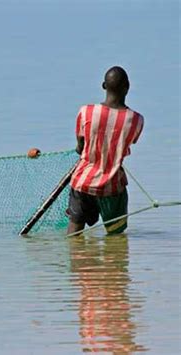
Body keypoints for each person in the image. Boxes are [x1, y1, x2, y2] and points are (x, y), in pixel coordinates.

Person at [67, 66, 144, 235]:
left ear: (103, 86)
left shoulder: (86, 112)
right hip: (112, 186)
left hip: (82, 182)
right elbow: (127, 144)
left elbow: (80, 147)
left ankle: (76, 258)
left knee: (74, 231)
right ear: (128, 86)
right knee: (115, 237)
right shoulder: (137, 120)